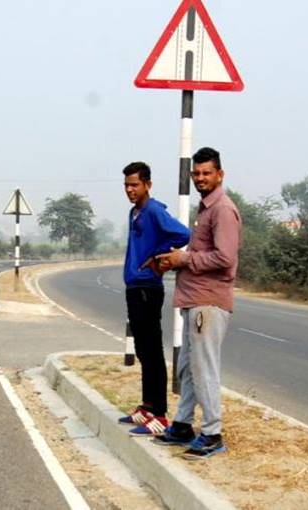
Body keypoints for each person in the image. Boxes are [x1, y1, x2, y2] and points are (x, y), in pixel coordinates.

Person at [154, 147, 242, 460]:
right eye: (197, 173)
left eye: (207, 173)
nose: (201, 178)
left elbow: (225, 258)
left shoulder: (222, 210)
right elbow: (202, 255)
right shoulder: (206, 209)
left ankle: (212, 433)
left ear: (220, 174)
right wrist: (174, 261)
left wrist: (185, 258)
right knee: (189, 367)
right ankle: (181, 425)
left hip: (208, 301)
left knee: (204, 367)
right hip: (194, 298)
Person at [118, 161, 190, 436]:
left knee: (152, 351)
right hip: (134, 287)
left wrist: (158, 256)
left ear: (147, 184)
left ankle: (159, 414)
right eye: (126, 185)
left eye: (135, 184)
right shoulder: (134, 212)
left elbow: (183, 234)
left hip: (148, 287)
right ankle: (147, 406)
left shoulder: (154, 210)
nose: (130, 190)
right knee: (142, 350)